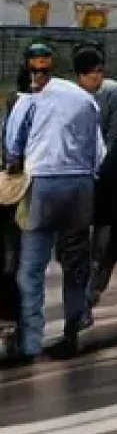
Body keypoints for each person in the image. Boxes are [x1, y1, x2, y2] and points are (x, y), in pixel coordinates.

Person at [4, 42, 105, 361]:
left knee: (31, 268)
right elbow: (98, 152)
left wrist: (15, 165)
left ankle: (32, 341)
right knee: (75, 264)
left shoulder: (27, 100)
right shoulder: (82, 98)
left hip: (43, 185)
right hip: (80, 186)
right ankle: (74, 332)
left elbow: (12, 149)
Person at [74, 46, 117, 328]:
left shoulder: (112, 93)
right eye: (93, 72)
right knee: (90, 245)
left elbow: (115, 138)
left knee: (99, 244)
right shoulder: (83, 96)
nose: (98, 77)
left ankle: (88, 299)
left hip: (101, 181)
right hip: (93, 180)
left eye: (100, 71)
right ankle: (86, 299)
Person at [0, 65, 31, 356]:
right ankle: (13, 323)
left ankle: (12, 323)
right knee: (14, 263)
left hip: (12, 195)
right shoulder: (26, 107)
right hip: (15, 195)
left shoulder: (14, 107)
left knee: (12, 263)